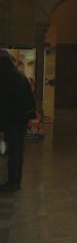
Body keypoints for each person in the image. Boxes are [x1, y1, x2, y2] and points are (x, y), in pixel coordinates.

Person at [0, 49, 36, 192]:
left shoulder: (2, 79)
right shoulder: (21, 78)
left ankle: (12, 182)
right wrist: (30, 117)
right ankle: (16, 180)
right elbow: (29, 100)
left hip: (9, 121)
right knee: (18, 151)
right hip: (21, 121)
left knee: (12, 151)